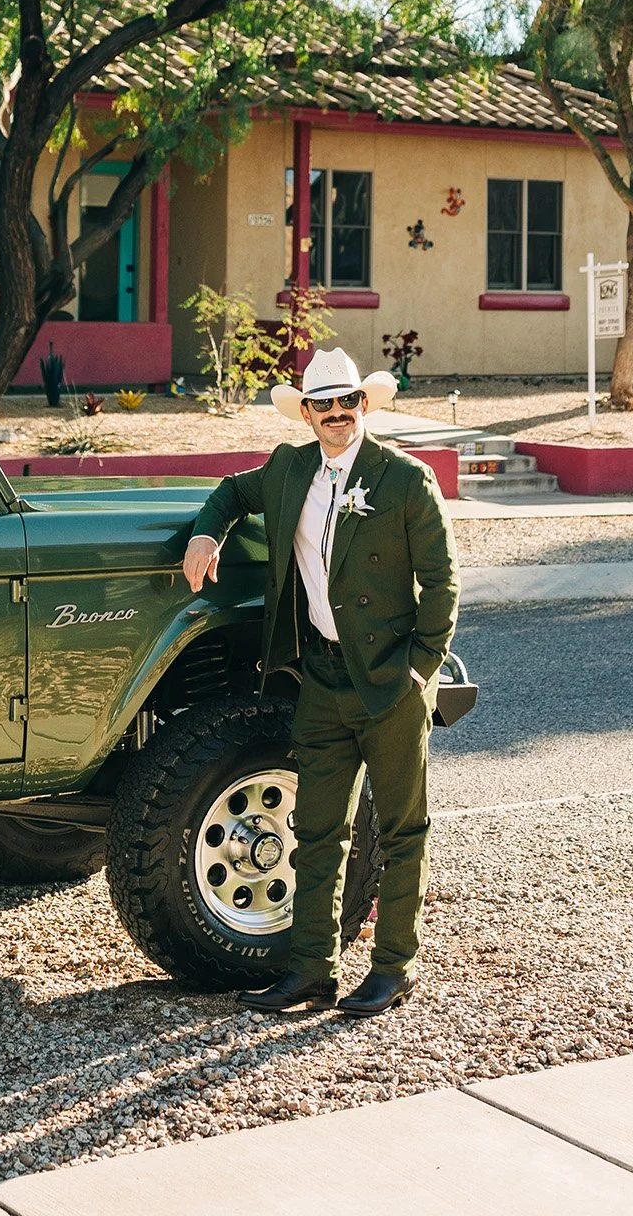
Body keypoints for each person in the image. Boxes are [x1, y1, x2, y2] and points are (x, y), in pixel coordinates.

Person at [183, 345, 459, 1016]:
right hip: (321, 680)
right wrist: (204, 535)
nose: (336, 414)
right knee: (315, 829)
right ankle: (311, 969)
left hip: (390, 682)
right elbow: (228, 493)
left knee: (400, 832)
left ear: (363, 405)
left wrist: (419, 672)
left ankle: (394, 968)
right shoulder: (286, 470)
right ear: (305, 413)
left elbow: (442, 581)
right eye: (322, 404)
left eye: (346, 402)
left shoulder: (403, 479)